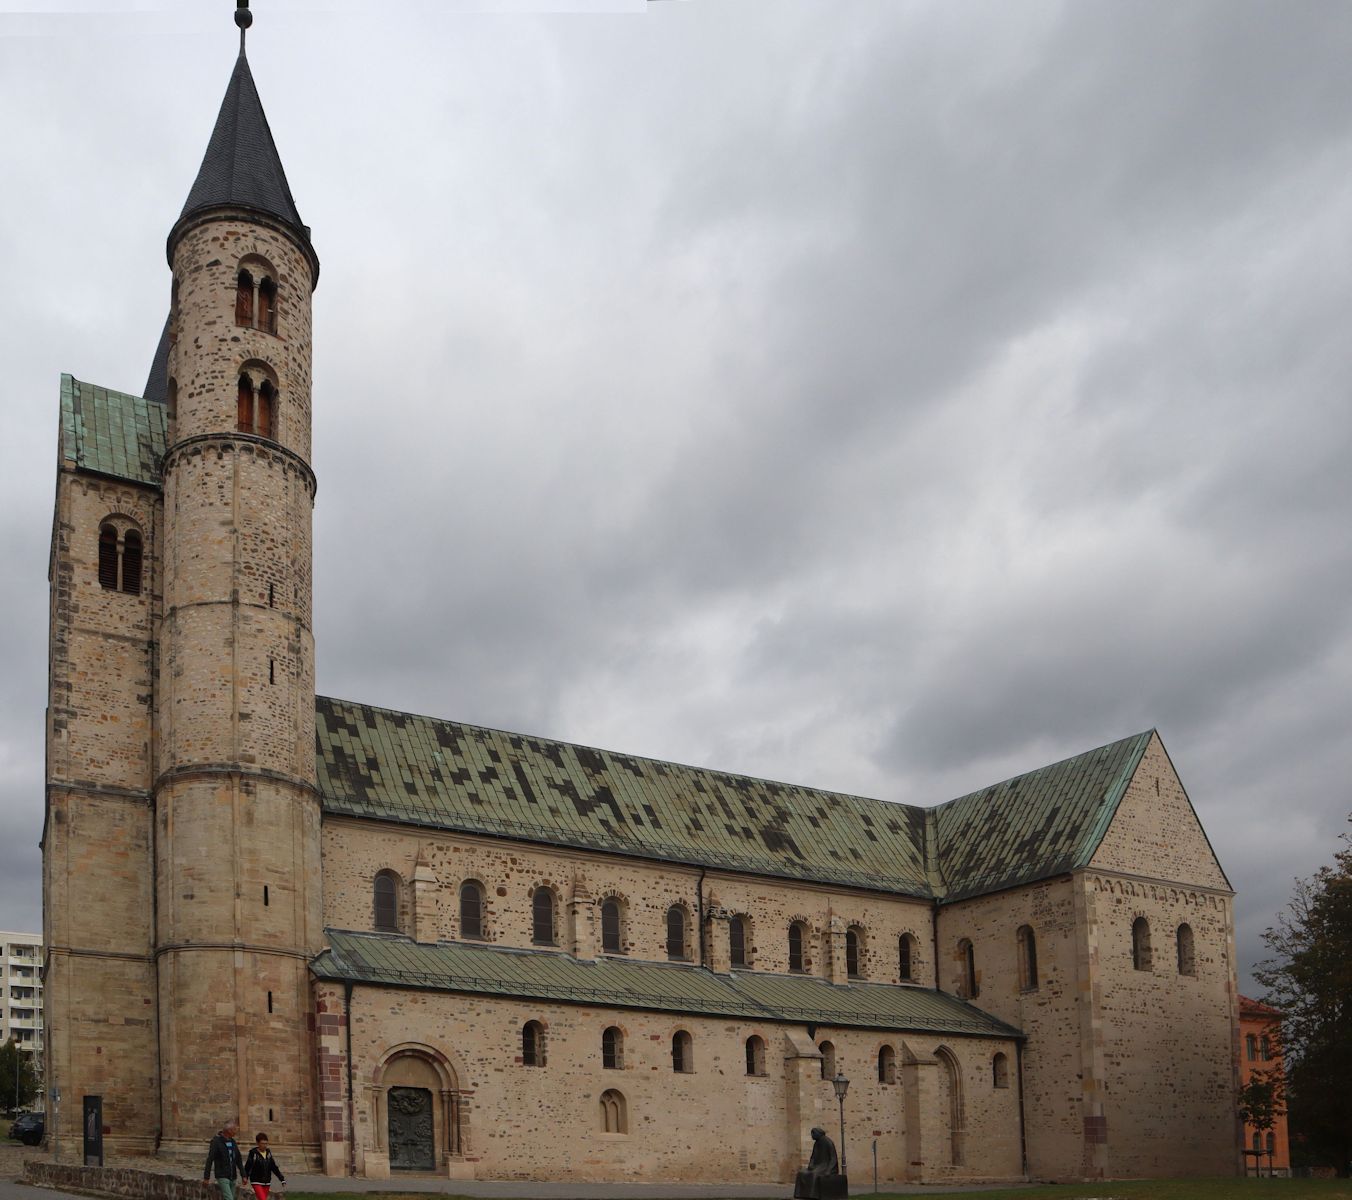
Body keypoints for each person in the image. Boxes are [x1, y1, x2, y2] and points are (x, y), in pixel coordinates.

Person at [793, 1126, 845, 1200]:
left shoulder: (828, 1142)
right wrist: (811, 1165)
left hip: (826, 1166)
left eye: (813, 1134)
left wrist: (829, 1170)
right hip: (818, 1166)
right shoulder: (817, 1143)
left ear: (817, 1134)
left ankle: (812, 1195)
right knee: (801, 1173)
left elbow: (833, 1159)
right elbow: (813, 1157)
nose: (812, 1136)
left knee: (813, 1175)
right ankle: (800, 1194)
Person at [204, 1122, 246, 1200]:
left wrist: (243, 1175)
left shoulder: (233, 1142)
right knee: (229, 1198)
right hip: (222, 1175)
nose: (236, 1131)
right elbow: (210, 1159)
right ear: (229, 1131)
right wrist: (206, 1177)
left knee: (231, 1197)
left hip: (232, 1176)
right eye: (234, 1129)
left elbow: (238, 1159)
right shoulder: (216, 1142)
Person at [243, 1132, 286, 1200]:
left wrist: (282, 1179)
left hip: (266, 1182)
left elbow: (274, 1167)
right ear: (258, 1143)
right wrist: (245, 1177)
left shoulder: (268, 1153)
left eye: (266, 1143)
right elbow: (247, 1167)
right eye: (262, 1143)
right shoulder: (253, 1153)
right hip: (256, 1181)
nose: (265, 1145)